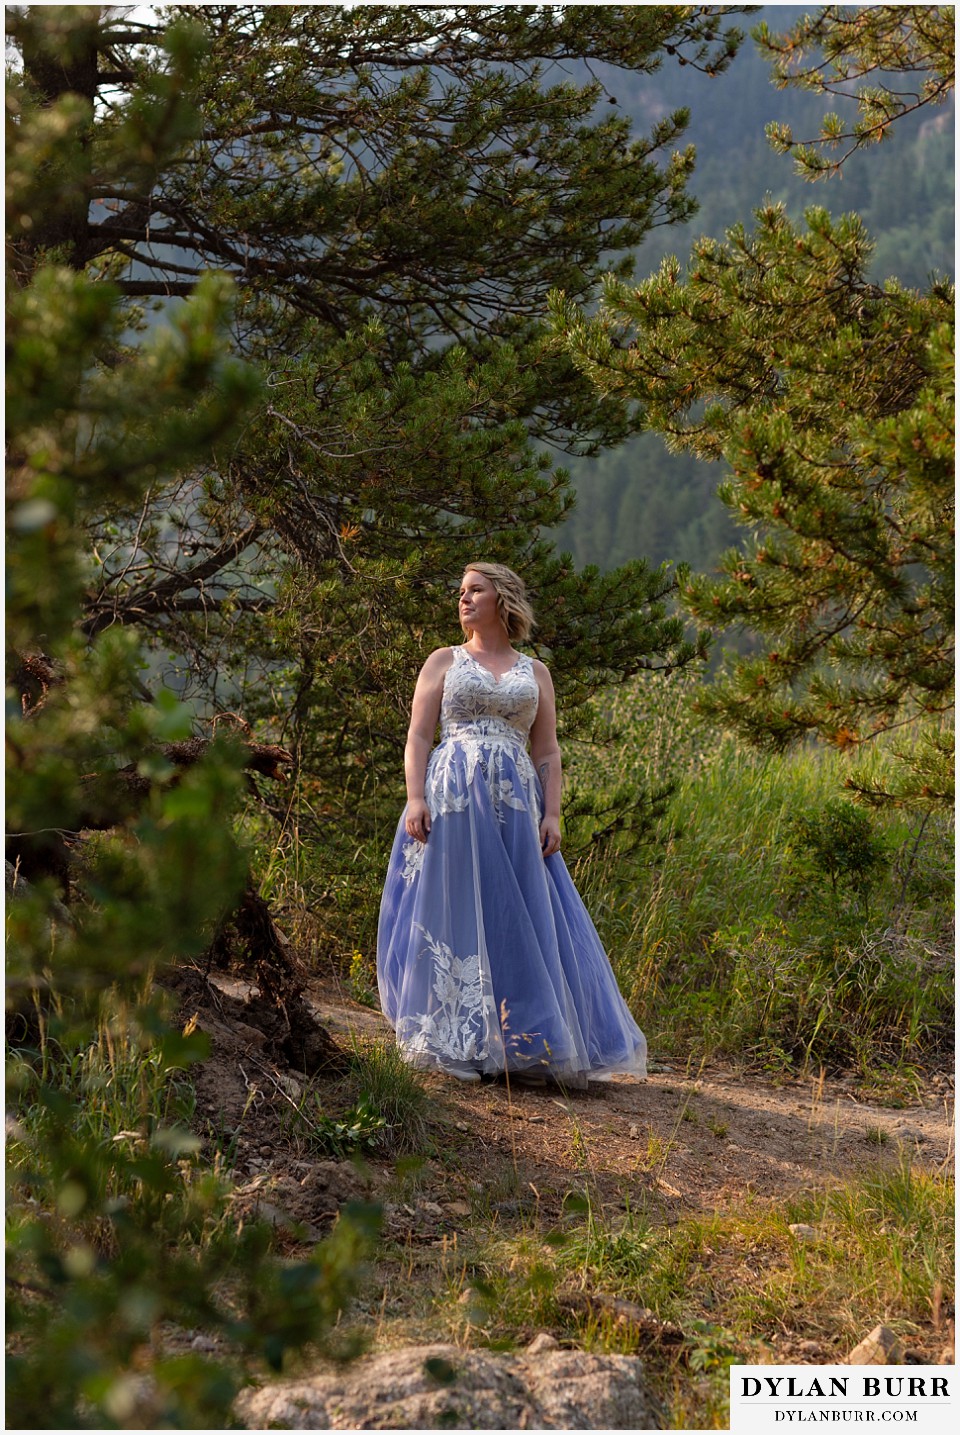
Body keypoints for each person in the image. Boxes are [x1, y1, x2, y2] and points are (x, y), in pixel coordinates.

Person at [376, 562, 647, 1086]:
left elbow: (546, 749)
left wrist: (552, 812)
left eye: (475, 589)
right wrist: (414, 799)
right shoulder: (443, 661)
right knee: (453, 905)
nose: (464, 598)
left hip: (517, 805)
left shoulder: (535, 672)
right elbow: (417, 736)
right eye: (460, 591)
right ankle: (453, 1039)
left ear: (502, 598)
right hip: (454, 796)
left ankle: (522, 1043)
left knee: (515, 910)